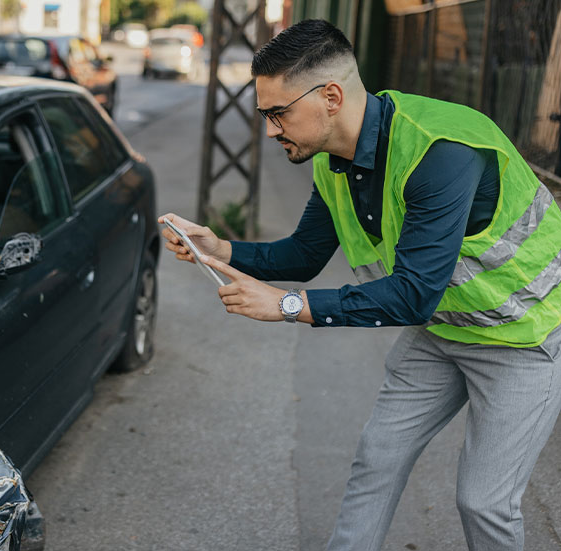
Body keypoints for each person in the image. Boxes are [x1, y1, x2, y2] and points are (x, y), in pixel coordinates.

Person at [160, 18, 561, 551]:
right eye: (264, 115)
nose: (271, 130)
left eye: (278, 114)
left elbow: (412, 292)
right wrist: (220, 249)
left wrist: (284, 305)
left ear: (330, 95)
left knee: (484, 502)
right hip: (444, 330)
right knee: (377, 460)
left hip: (524, 336)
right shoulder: (333, 159)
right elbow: (304, 254)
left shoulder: (440, 151)